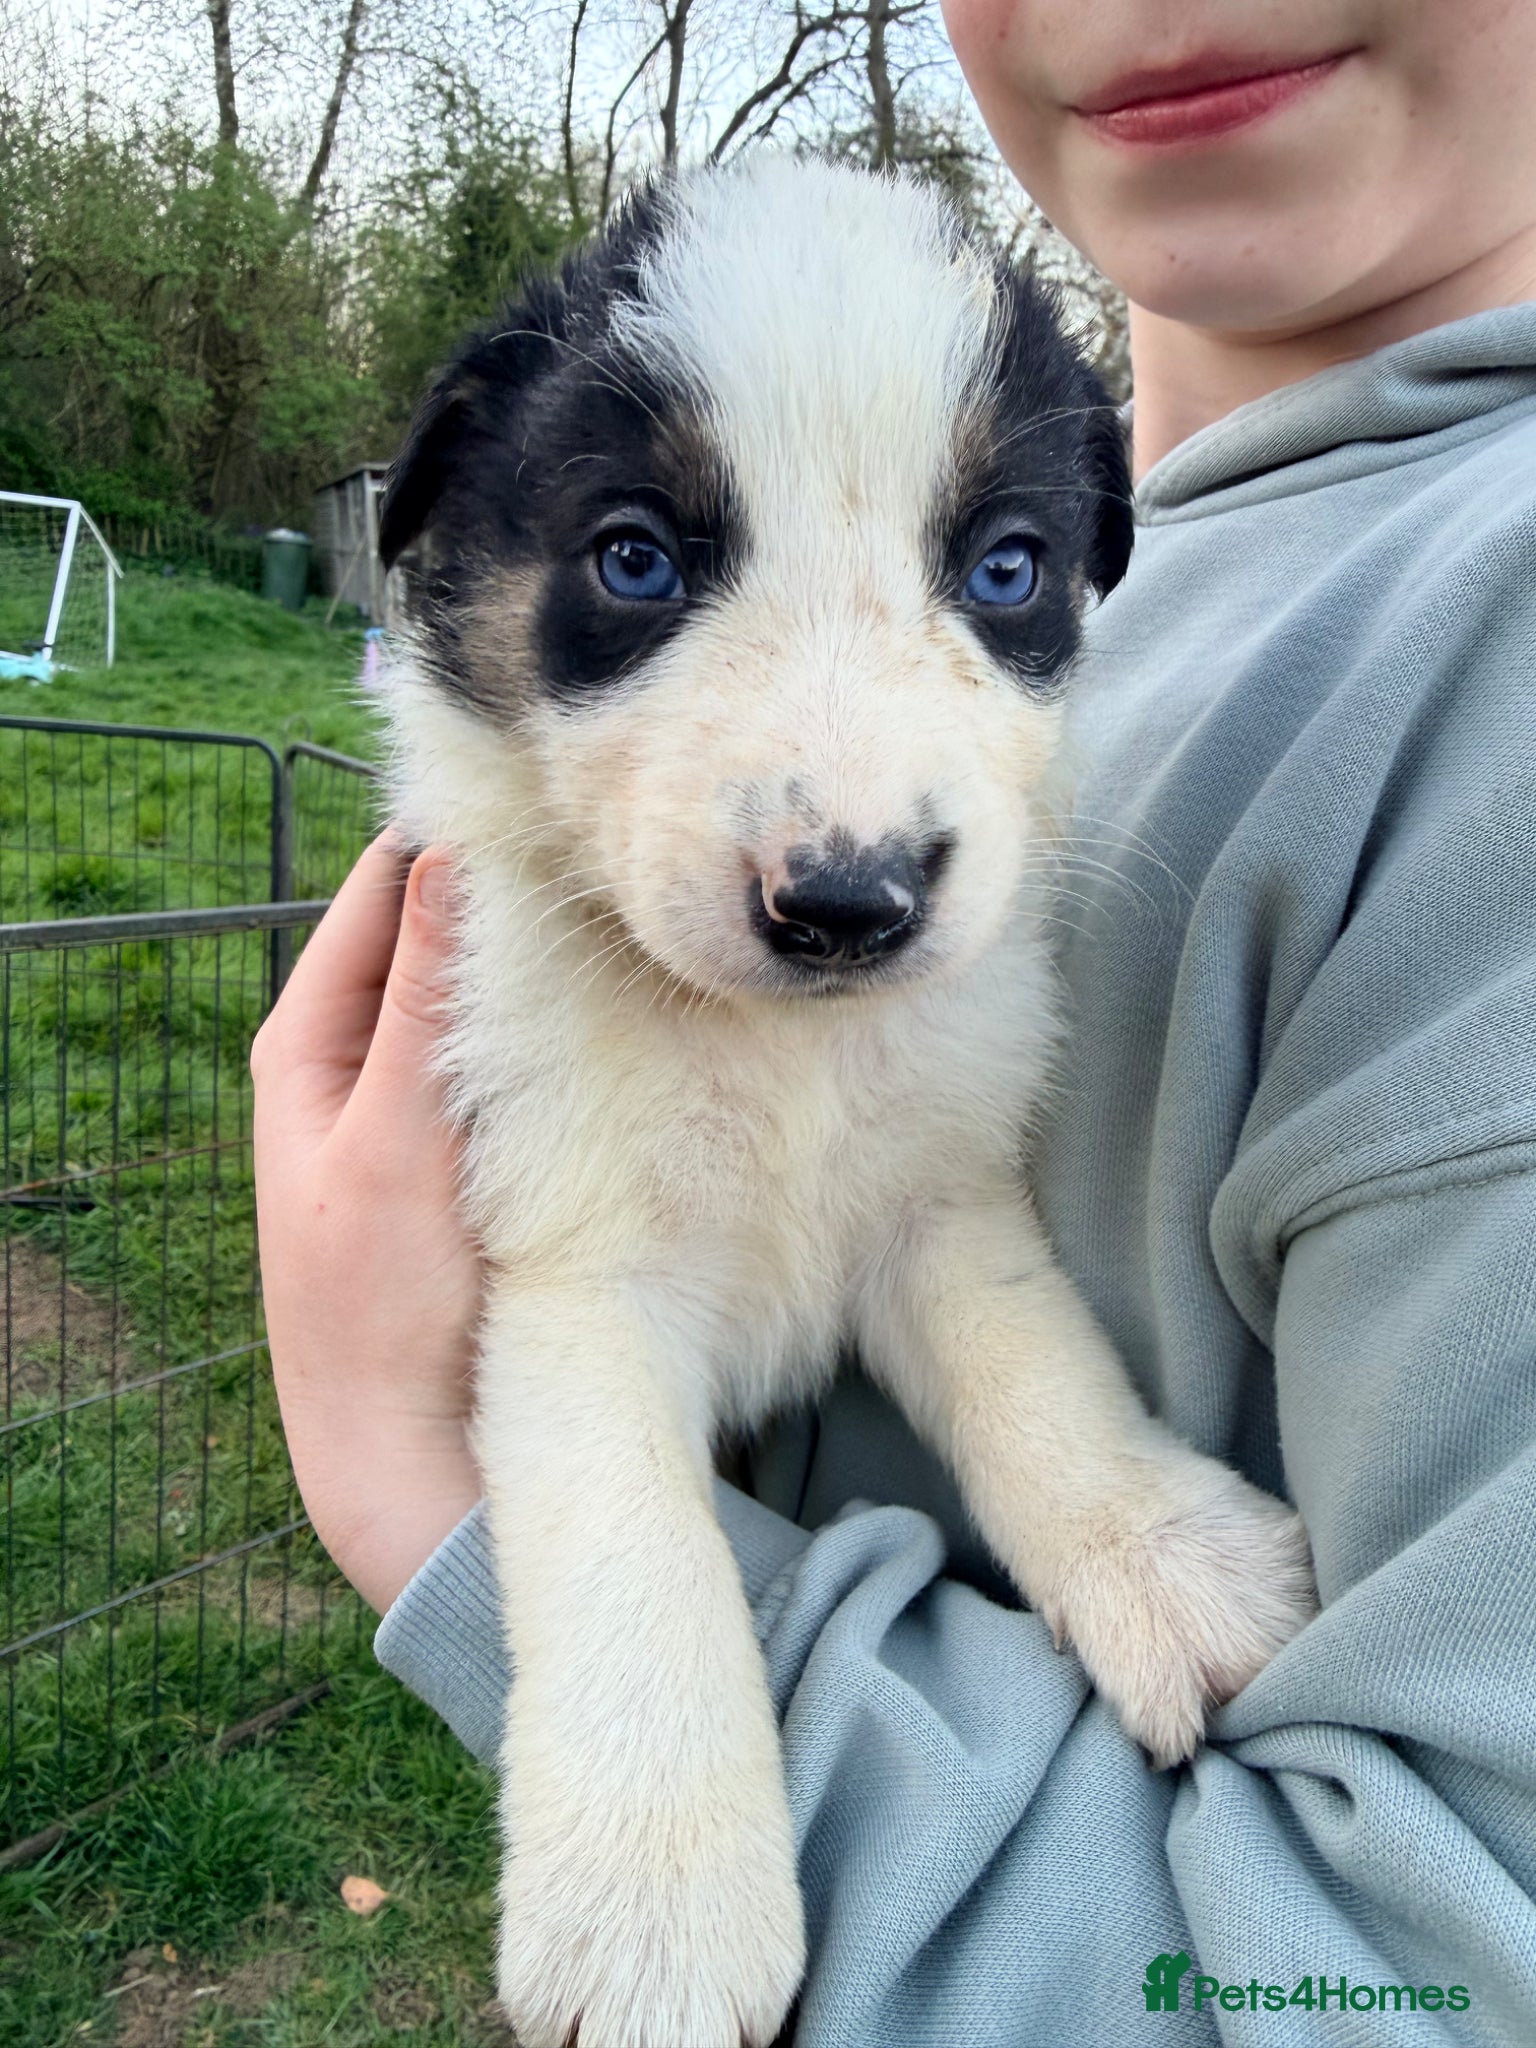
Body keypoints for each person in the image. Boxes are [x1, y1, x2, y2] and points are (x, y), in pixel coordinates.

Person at [251, 3, 1536, 2038]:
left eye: (998, 566)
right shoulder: (512, 891)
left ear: (1075, 561)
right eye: (642, 556)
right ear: (456, 526)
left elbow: (930, 1210)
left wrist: (1104, 1508)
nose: (846, 827)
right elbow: (594, 1290)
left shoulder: (1481, 647)